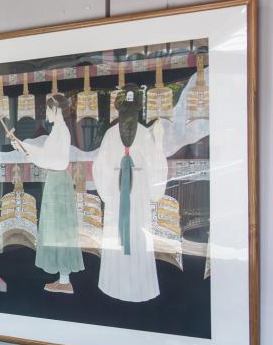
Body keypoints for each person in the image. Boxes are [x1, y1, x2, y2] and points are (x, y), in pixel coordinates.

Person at [92, 84, 168, 302]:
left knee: (133, 236)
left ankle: (125, 288)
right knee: (126, 237)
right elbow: (156, 172)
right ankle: (125, 287)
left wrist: (109, 193)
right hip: (128, 195)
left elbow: (100, 169)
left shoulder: (138, 135)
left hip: (129, 195)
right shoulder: (135, 135)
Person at [10, 94, 84, 294]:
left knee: (60, 230)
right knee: (56, 229)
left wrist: (31, 154)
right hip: (56, 181)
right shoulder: (57, 131)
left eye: (49, 109)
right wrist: (23, 146)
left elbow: (57, 161)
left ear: (57, 109)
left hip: (59, 182)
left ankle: (65, 281)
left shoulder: (62, 131)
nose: (46, 113)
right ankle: (63, 278)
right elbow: (46, 154)